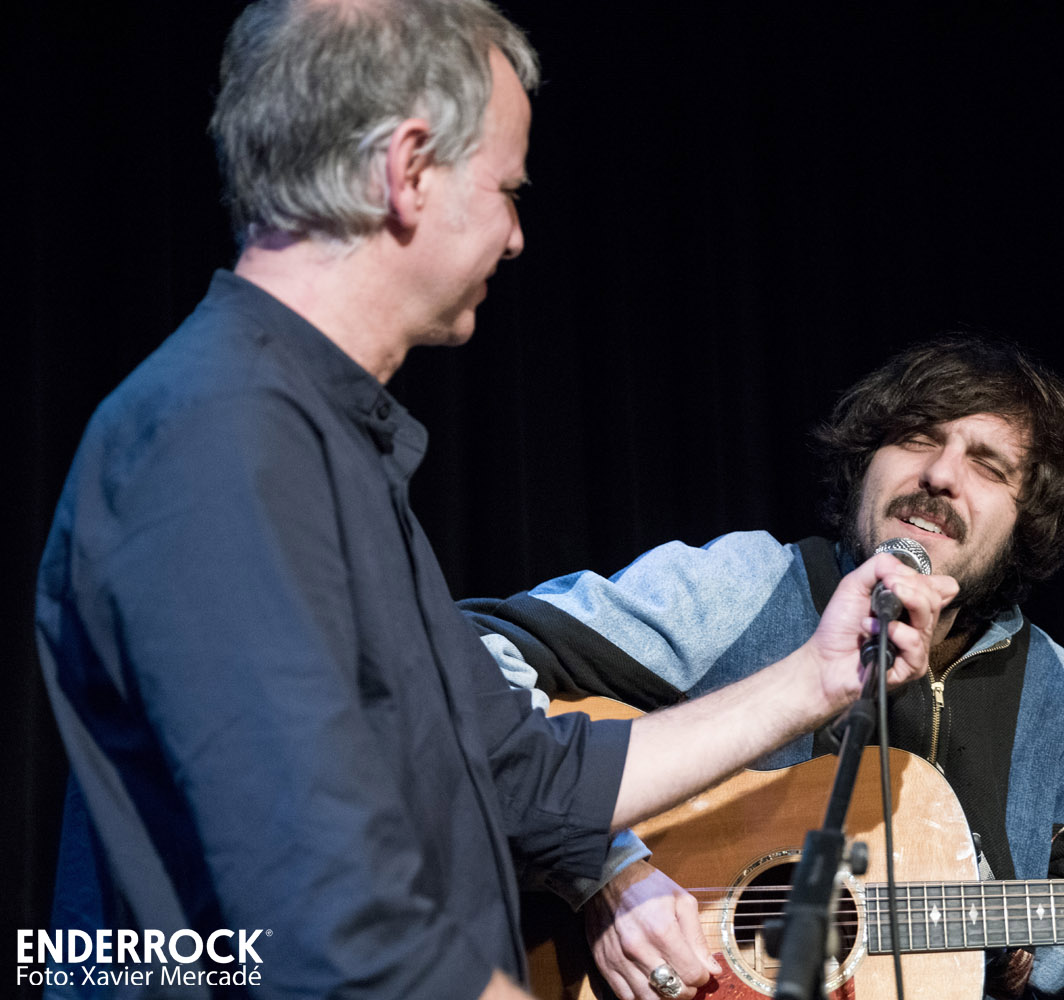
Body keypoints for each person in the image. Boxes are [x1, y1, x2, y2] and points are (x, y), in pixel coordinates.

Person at [32, 3, 956, 998]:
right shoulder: (217, 435)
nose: (517, 237)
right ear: (409, 169)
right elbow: (329, 919)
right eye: (508, 190)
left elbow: (529, 778)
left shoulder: (312, 440)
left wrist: (816, 678)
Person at [461, 335, 1064, 1000]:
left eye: (988, 463)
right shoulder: (744, 586)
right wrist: (604, 867)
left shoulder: (1060, 702)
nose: (939, 473)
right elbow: (458, 663)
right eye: (918, 438)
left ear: (1028, 520)